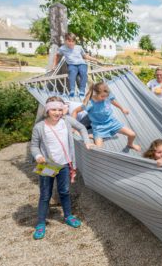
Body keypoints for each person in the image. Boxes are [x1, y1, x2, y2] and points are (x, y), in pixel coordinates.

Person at [30, 96, 94, 240]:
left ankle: (68, 216)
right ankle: (40, 223)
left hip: (65, 164)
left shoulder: (66, 121)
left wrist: (87, 141)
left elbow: (82, 127)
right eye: (53, 109)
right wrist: (38, 155)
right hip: (47, 165)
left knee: (64, 191)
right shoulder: (40, 127)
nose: (57, 112)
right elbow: (34, 146)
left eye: (60, 109)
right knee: (45, 194)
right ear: (47, 110)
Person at [72, 82, 141, 151]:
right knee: (99, 149)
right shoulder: (90, 103)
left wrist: (122, 109)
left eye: (106, 96)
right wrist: (74, 126)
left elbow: (113, 101)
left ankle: (130, 144)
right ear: (96, 93)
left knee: (132, 134)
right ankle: (94, 136)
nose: (104, 98)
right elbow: (75, 111)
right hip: (99, 127)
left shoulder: (107, 95)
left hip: (112, 122)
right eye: (102, 96)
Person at [52, 32, 100, 97]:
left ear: (75, 41)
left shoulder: (79, 47)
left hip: (81, 64)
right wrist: (54, 65)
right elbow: (57, 56)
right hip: (72, 65)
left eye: (73, 41)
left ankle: (82, 90)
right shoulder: (63, 48)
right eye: (69, 41)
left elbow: (85, 56)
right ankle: (72, 90)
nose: (71, 43)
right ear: (65, 41)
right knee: (72, 74)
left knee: (83, 74)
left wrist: (95, 59)